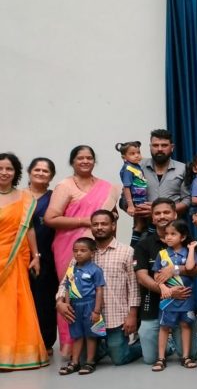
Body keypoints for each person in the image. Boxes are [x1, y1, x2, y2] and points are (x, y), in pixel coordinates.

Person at [44, 144, 119, 356]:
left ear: (94, 161)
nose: (85, 161)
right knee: (72, 294)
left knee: (96, 292)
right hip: (70, 247)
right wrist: (85, 221)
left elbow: (112, 218)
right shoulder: (65, 186)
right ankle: (71, 348)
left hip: (98, 246)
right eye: (80, 158)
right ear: (72, 162)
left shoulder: (106, 187)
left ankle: (96, 345)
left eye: (89, 158)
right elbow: (50, 218)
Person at [54, 210, 140, 366]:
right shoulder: (82, 252)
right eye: (95, 224)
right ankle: (102, 345)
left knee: (119, 358)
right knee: (81, 360)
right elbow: (66, 282)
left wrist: (132, 315)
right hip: (88, 317)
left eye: (104, 224)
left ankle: (142, 345)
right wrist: (60, 302)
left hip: (115, 317)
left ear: (113, 226)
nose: (99, 227)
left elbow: (133, 287)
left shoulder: (126, 252)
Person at [133, 199, 197, 366]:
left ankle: (195, 336)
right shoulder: (144, 244)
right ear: (152, 217)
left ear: (175, 214)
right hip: (154, 303)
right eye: (157, 213)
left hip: (183, 300)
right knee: (150, 359)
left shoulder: (188, 241)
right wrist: (167, 291)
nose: (162, 216)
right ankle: (168, 345)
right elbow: (141, 276)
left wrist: (175, 269)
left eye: (166, 212)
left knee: (191, 354)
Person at [0, 153, 50, 371]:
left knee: (15, 304)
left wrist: (35, 256)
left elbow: (28, 229)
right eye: (0, 168)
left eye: (9, 169)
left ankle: (15, 354)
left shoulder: (24, 197)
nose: (4, 173)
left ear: (16, 172)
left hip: (15, 257)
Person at [150, 220, 197, 371]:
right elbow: (156, 274)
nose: (169, 237)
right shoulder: (162, 254)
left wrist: (191, 249)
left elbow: (190, 267)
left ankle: (186, 356)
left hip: (186, 298)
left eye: (173, 234)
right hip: (168, 298)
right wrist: (163, 287)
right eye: (167, 234)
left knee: (185, 325)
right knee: (164, 326)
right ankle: (161, 358)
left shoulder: (188, 252)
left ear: (183, 237)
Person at [25, 157, 59, 354]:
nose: (40, 173)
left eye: (45, 171)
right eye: (37, 169)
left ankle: (45, 343)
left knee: (44, 301)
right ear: (29, 172)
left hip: (47, 256)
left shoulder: (55, 198)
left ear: (51, 176)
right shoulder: (18, 197)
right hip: (18, 256)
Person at [58, 237, 105, 375]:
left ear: (92, 253)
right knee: (76, 335)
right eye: (75, 250)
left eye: (83, 250)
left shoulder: (95, 270)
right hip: (75, 306)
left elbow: (99, 290)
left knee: (92, 335)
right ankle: (75, 362)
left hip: (90, 305)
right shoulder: (71, 270)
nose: (78, 253)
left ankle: (90, 362)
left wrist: (97, 311)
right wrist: (67, 305)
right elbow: (68, 288)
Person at [140, 129, 189, 214]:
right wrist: (135, 209)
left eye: (164, 145)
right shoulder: (139, 167)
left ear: (172, 147)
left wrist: (163, 210)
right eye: (155, 145)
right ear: (150, 147)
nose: (159, 149)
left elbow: (188, 199)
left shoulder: (183, 169)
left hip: (174, 221)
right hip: (144, 221)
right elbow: (124, 199)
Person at [116, 141, 149, 241]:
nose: (137, 155)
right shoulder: (128, 169)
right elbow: (127, 187)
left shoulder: (136, 166)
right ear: (124, 157)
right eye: (132, 153)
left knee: (143, 223)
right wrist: (130, 205)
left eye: (138, 152)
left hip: (141, 198)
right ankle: (133, 246)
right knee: (140, 224)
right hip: (136, 200)